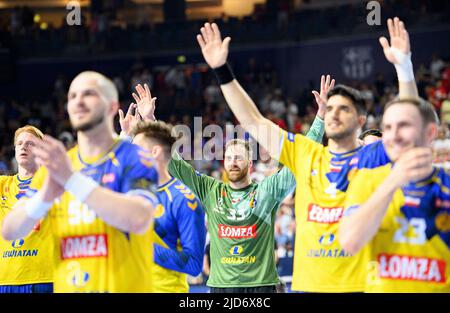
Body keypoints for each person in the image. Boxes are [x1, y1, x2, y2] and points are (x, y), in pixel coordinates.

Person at [196, 17, 418, 292]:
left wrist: (404, 68)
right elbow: (253, 121)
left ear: (360, 120)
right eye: (331, 108)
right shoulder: (306, 155)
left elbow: (410, 129)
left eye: (344, 108)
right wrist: (221, 71)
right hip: (309, 287)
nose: (334, 112)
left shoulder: (372, 158)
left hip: (360, 284)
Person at [126, 81, 326, 292]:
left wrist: (320, 118)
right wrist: (149, 120)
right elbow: (175, 164)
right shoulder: (211, 190)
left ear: (249, 164)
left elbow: (302, 159)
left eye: (238, 158)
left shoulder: (267, 191)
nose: (232, 162)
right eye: (229, 158)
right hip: (221, 287)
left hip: (261, 286)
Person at [1, 71, 159, 293]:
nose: (78, 100)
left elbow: (139, 218)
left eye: (89, 93)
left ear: (112, 107)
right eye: (72, 95)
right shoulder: (61, 166)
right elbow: (10, 230)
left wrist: (72, 180)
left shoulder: (136, 157)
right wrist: (45, 196)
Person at [339, 97, 450, 292]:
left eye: (404, 125)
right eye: (388, 128)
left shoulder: (445, 188)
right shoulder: (366, 180)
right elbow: (350, 242)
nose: (393, 135)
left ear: (430, 132)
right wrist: (393, 180)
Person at [119, 96, 207, 293]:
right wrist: (125, 136)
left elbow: (193, 265)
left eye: (137, 148)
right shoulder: (130, 191)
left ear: (156, 152)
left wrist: (145, 248)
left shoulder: (184, 199)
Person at [0, 125, 53, 293]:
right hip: (6, 279)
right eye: (20, 143)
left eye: (30, 143)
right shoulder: (2, 185)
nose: (23, 146)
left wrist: (125, 136)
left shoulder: (53, 181)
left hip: (45, 278)